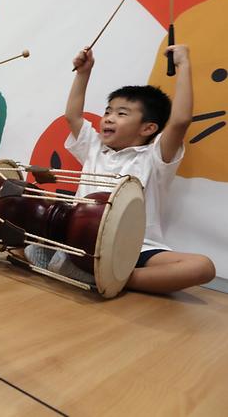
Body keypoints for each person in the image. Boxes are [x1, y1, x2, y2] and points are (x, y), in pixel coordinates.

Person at [26, 45, 215, 293]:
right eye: (108, 112)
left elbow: (180, 121)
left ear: (148, 128)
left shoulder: (155, 157)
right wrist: (83, 73)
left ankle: (111, 277)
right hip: (81, 239)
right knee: (25, 230)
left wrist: (184, 64)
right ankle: (92, 270)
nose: (109, 118)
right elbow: (72, 116)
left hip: (136, 247)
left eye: (121, 113)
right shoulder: (94, 147)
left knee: (203, 267)